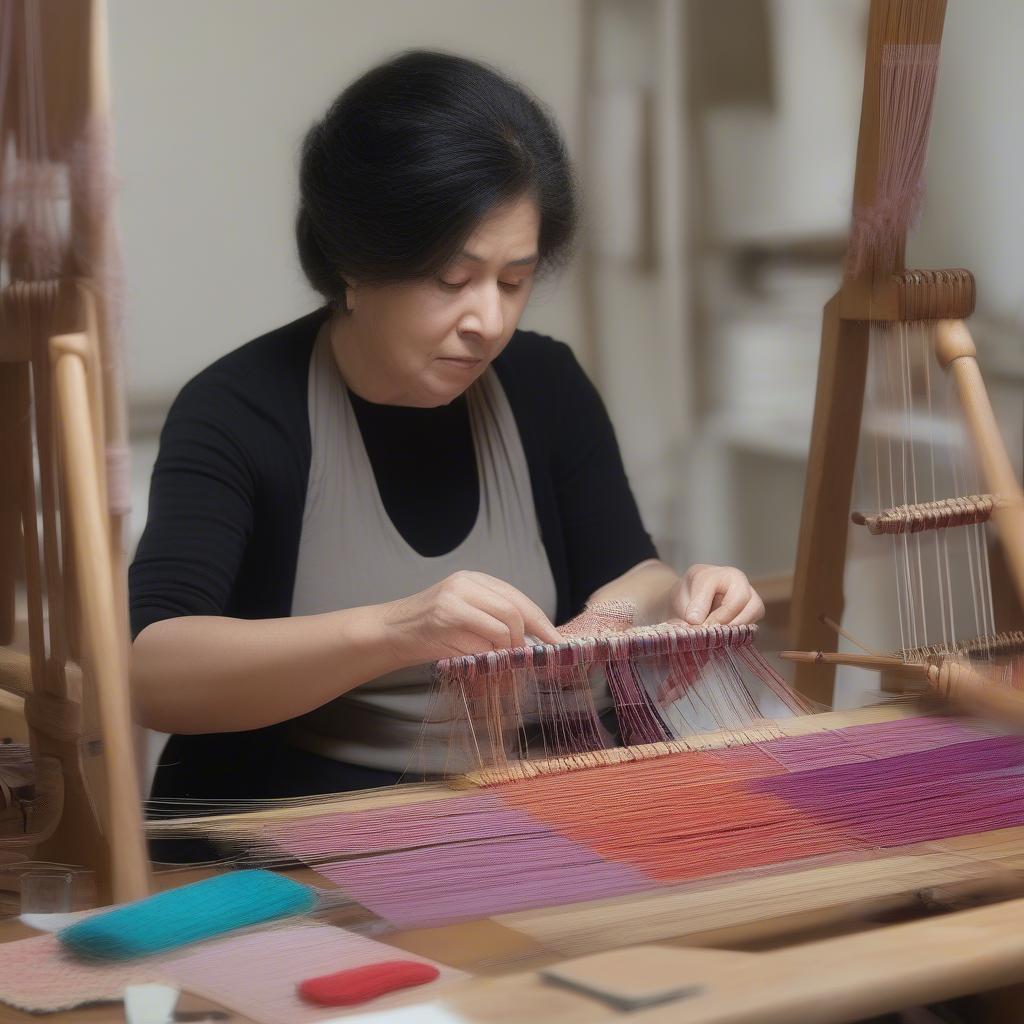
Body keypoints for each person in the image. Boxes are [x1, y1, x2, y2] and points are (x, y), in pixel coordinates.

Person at [129, 50, 764, 805]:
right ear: (355, 265)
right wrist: (399, 629)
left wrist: (659, 605)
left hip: (545, 798)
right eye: (451, 281)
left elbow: (634, 574)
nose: (488, 321)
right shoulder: (240, 410)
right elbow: (154, 671)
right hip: (323, 825)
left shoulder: (544, 384)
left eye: (515, 282)